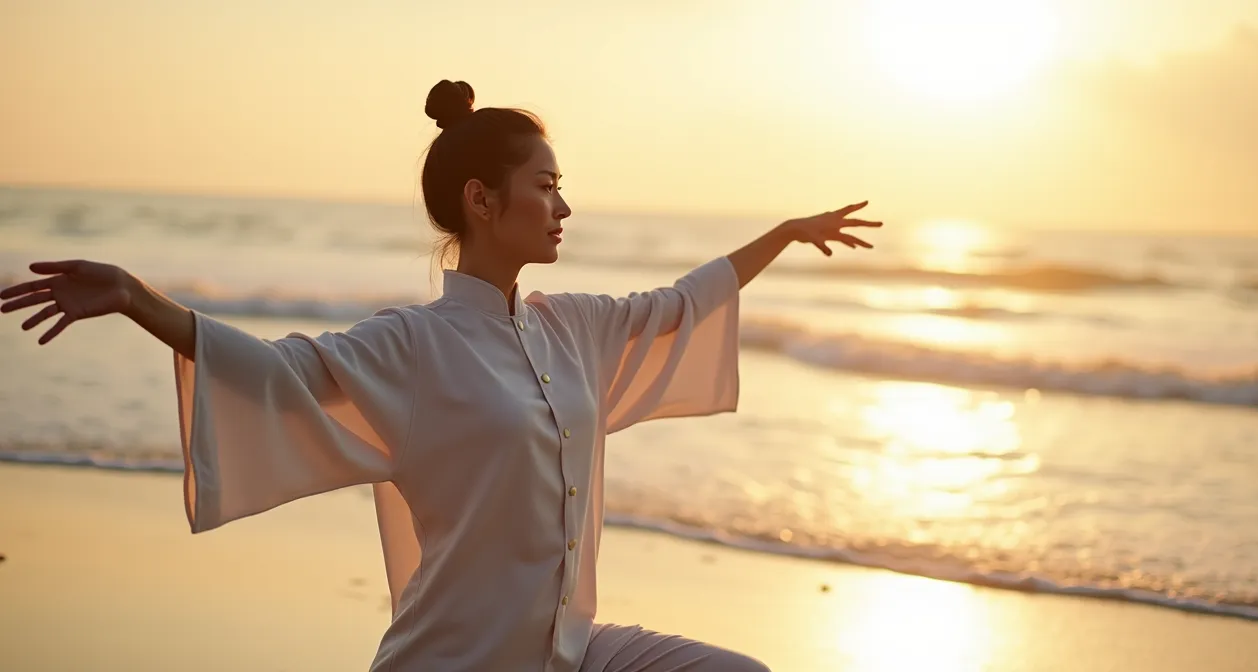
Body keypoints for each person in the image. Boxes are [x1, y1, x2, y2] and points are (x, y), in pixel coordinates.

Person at [0, 79, 882, 671]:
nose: (564, 205)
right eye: (547, 185)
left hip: (571, 651)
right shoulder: (411, 347)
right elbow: (278, 373)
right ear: (481, 200)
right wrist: (136, 297)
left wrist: (782, 233)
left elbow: (683, 303)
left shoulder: (572, 325)